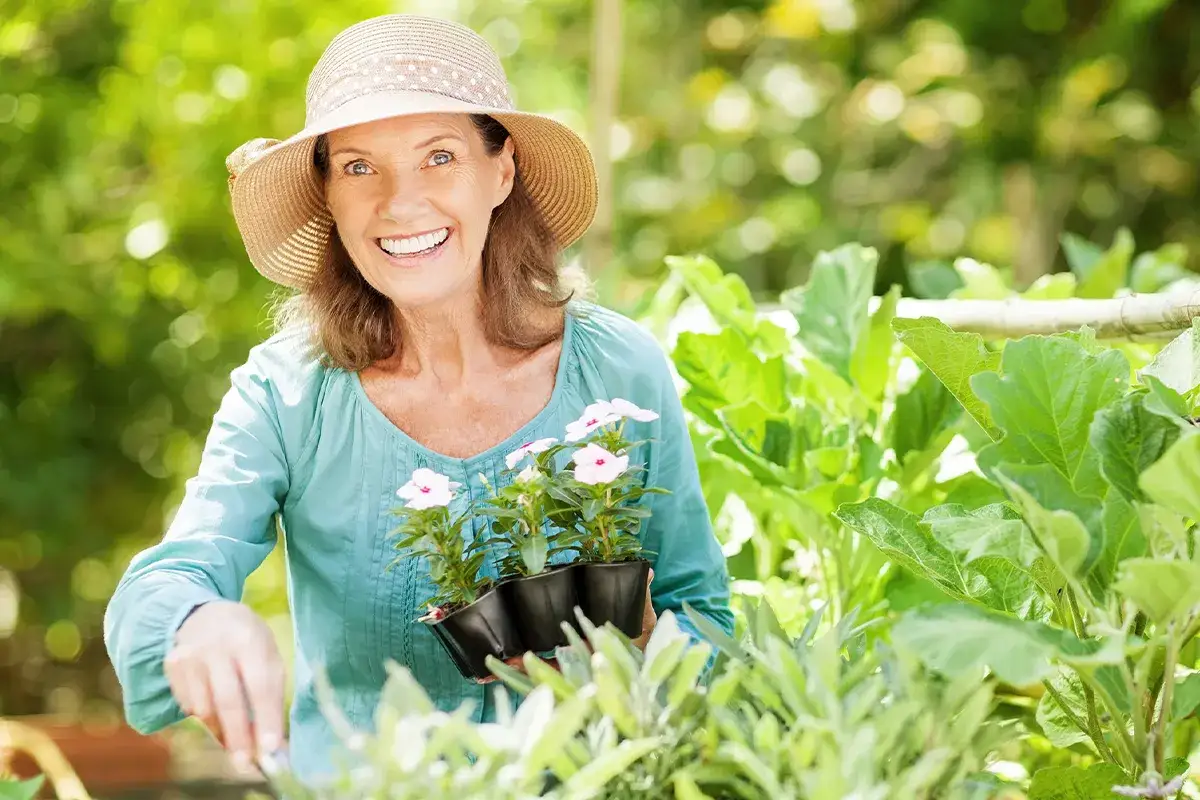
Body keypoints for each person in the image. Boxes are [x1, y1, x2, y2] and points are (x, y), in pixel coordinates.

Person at [103, 13, 733, 785]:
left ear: (500, 172)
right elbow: (165, 583)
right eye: (361, 167)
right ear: (328, 194)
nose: (401, 204)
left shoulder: (617, 368)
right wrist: (197, 620)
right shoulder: (287, 394)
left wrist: (641, 664)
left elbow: (703, 615)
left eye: (439, 156)